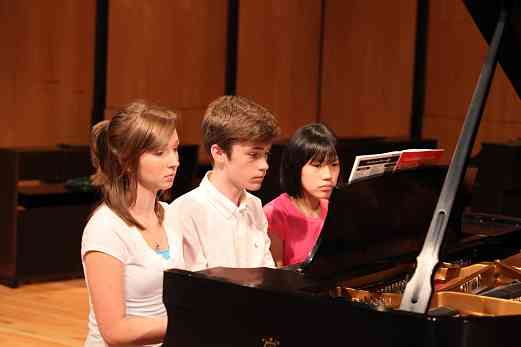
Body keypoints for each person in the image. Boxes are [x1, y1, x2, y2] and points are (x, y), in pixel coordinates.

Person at [81, 101, 184, 347]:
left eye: (175, 149)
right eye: (160, 153)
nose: (175, 161)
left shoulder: (171, 215)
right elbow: (115, 331)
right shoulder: (105, 228)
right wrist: (192, 322)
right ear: (127, 161)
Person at [167, 95, 280, 271]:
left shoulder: (255, 205)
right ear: (219, 153)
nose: (264, 165)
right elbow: (193, 290)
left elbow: (267, 275)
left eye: (266, 154)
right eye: (253, 154)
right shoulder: (185, 212)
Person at [263, 123, 340, 267]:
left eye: (334, 165)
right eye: (317, 165)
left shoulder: (336, 208)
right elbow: (275, 278)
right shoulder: (274, 213)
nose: (328, 175)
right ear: (296, 167)